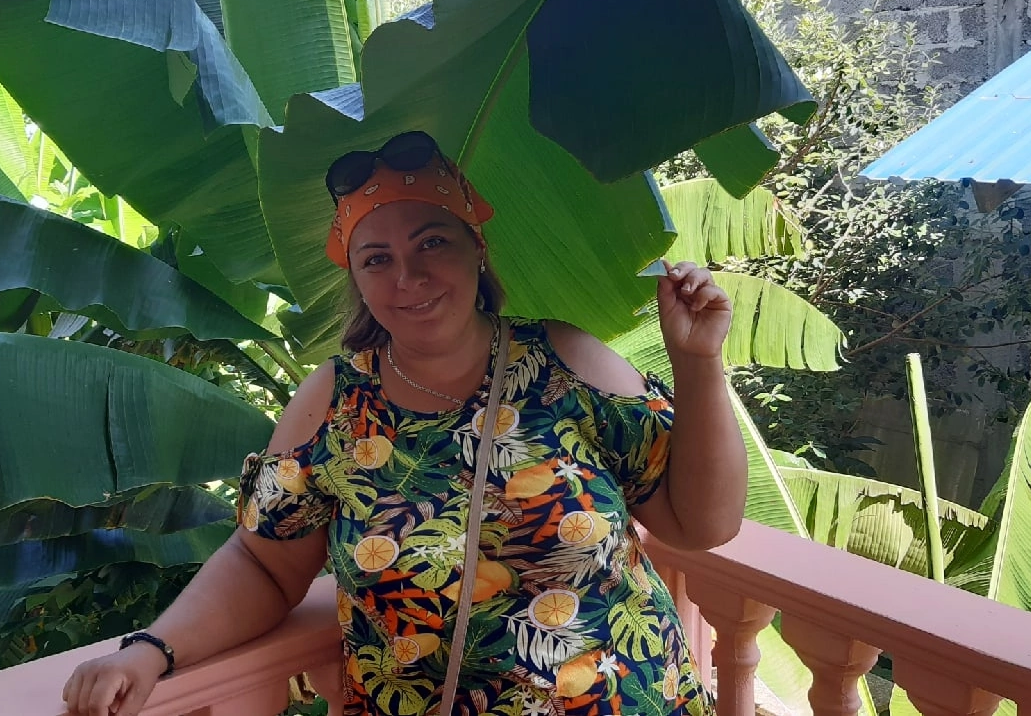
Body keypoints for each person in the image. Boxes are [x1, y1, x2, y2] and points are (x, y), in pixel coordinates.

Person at [63, 130, 748, 716]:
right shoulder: (335, 402)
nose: (408, 275)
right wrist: (150, 650)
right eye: (377, 258)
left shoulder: (567, 362)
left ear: (476, 247)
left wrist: (698, 362)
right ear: (357, 278)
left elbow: (702, 524)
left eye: (432, 242)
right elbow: (261, 563)